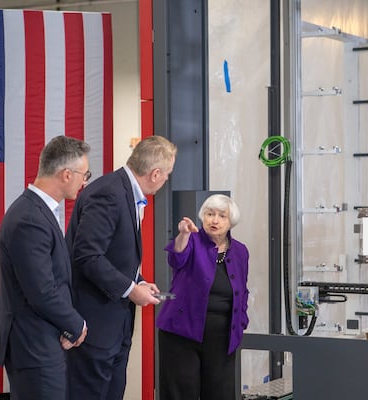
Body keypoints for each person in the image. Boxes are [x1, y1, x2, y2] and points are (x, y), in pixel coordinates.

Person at [66, 135, 177, 400]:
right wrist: (130, 289)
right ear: (155, 173)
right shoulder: (109, 193)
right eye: (167, 174)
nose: (166, 180)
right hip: (96, 325)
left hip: (116, 325)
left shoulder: (128, 192)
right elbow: (88, 255)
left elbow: (116, 254)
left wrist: (137, 281)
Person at [0, 135, 90, 400]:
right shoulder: (29, 219)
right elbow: (42, 291)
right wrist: (76, 325)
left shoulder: (37, 211)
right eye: (84, 174)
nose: (85, 181)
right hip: (33, 345)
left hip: (42, 340)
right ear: (67, 174)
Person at [157, 194, 250, 400]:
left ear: (231, 221)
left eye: (221, 216)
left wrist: (241, 321)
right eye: (210, 214)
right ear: (202, 217)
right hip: (182, 333)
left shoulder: (240, 251)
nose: (214, 220)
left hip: (222, 336)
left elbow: (242, 290)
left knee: (220, 393)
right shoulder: (192, 240)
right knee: (181, 393)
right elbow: (176, 257)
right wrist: (182, 234)